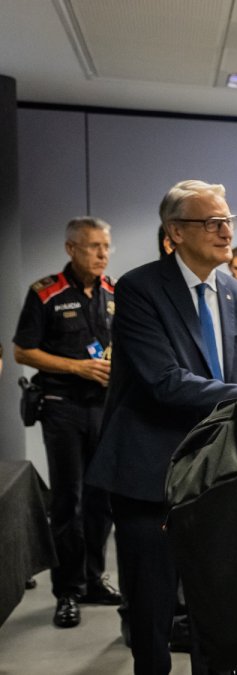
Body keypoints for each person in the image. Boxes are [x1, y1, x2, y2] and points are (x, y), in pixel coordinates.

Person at [87, 180, 237, 675]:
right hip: (149, 476)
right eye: (212, 222)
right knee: (152, 614)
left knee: (219, 611)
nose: (225, 231)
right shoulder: (140, 289)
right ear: (175, 233)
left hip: (217, 476)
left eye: (228, 220)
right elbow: (163, 383)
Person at [12, 216, 121, 628]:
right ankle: (68, 590)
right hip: (62, 407)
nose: (102, 254)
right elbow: (23, 351)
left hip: (104, 409)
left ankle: (94, 579)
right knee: (67, 502)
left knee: (102, 500)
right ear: (71, 249)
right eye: (93, 246)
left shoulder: (113, 293)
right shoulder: (46, 293)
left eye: (105, 247)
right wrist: (77, 367)